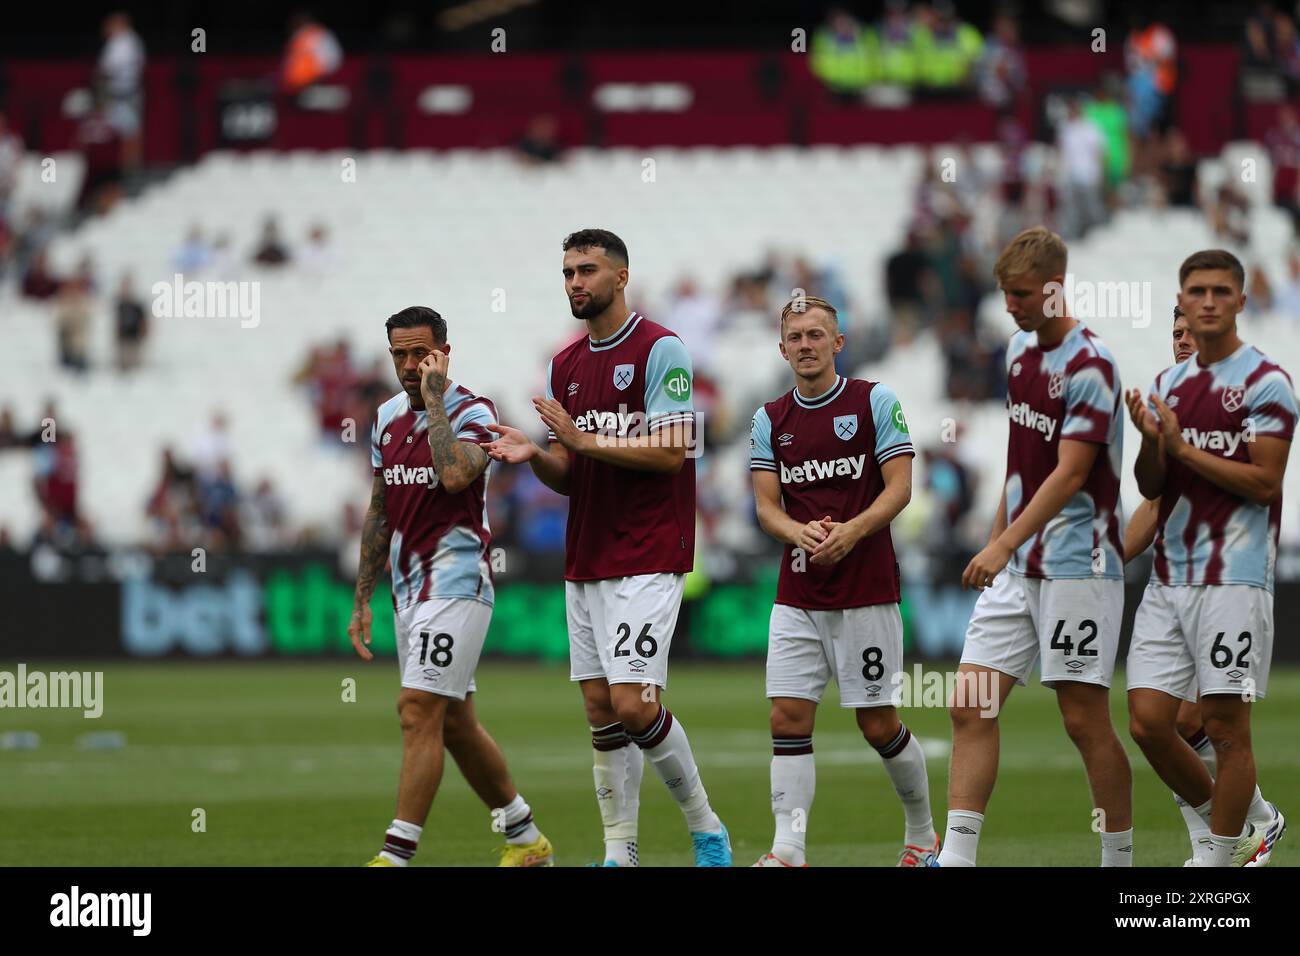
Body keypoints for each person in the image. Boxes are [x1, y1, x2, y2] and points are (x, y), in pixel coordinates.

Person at [484, 228, 731, 867]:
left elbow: (673, 452)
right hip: (587, 549)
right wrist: (536, 454)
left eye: (587, 270)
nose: (575, 282)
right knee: (600, 708)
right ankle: (620, 852)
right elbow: (570, 474)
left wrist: (582, 442)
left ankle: (707, 829)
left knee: (634, 703)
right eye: (567, 271)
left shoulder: (662, 351)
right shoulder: (564, 364)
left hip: (649, 548)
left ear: (621, 277)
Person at [936, 227, 1132, 867]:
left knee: (1083, 721)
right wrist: (997, 542)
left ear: (1054, 286)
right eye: (1004, 293)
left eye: (1020, 293)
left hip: (1079, 562)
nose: (1010, 305)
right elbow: (1024, 465)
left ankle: (1118, 863)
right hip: (1020, 562)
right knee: (970, 702)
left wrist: (1001, 546)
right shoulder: (1019, 354)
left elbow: (1071, 473)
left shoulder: (1091, 365)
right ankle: (959, 859)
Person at [350, 306, 553, 867]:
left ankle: (395, 855)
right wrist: (363, 594)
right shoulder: (386, 418)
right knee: (455, 721)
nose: (411, 366)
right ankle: (524, 837)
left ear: (444, 351)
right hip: (408, 588)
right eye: (400, 355)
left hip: (459, 580)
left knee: (416, 709)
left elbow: (455, 475)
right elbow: (380, 508)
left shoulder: (474, 411)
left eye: (422, 354)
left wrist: (435, 400)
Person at [749, 295, 934, 867]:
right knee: (787, 716)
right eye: (795, 337)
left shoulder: (873, 400)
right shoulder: (768, 418)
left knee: (877, 723)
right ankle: (788, 850)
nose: (805, 345)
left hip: (867, 590)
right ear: (782, 348)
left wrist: (851, 532)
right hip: (798, 592)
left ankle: (923, 835)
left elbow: (899, 488)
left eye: (815, 335)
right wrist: (797, 533)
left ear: (838, 342)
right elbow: (766, 507)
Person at [1125, 250, 1293, 867]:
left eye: (1220, 291)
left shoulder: (1266, 383)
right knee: (1147, 720)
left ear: (1240, 302)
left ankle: (1218, 867)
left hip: (1235, 578)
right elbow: (1152, 488)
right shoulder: (1167, 387)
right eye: (1195, 292)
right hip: (1171, 580)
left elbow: (1265, 482)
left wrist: (1180, 448)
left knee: (1223, 727)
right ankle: (1253, 822)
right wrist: (1151, 441)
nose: (1206, 303)